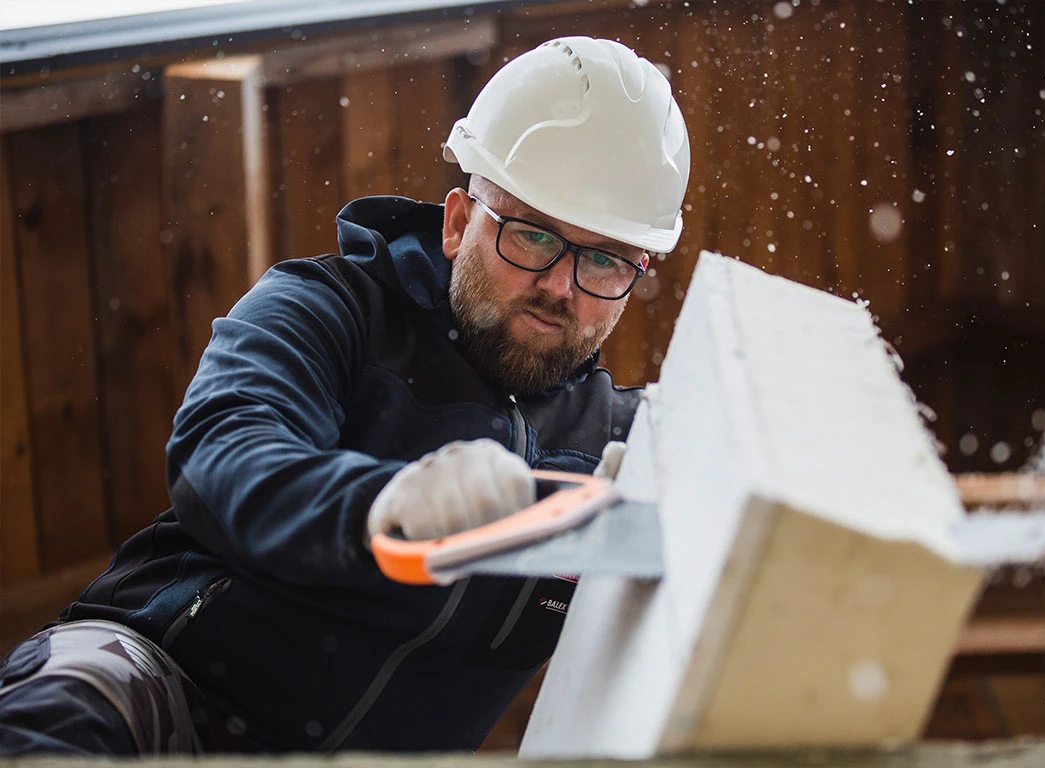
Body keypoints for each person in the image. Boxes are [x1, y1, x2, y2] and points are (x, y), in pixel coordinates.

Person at [0, 36, 690, 755]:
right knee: (63, 713)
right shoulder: (326, 310)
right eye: (533, 237)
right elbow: (222, 453)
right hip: (165, 688)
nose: (559, 286)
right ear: (458, 222)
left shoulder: (619, 444)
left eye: (605, 260)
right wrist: (378, 505)